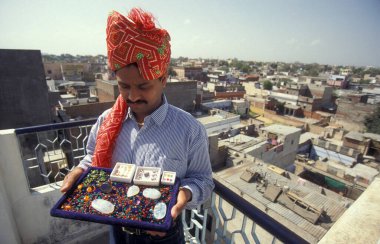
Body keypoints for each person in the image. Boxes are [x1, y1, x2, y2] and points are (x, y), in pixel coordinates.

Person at [60, 7, 214, 244]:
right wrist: (79, 172)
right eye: (124, 86)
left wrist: (184, 194)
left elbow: (203, 180)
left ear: (162, 80)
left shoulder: (189, 129)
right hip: (117, 228)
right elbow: (92, 159)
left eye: (143, 87)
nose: (132, 96)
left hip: (163, 233)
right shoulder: (106, 122)